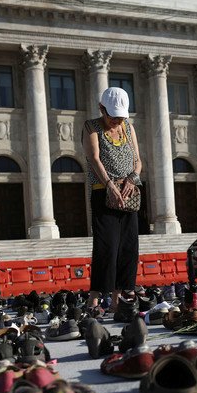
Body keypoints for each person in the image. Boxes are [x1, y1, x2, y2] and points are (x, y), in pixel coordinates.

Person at [82, 87, 142, 314]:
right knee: (106, 246)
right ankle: (95, 299)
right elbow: (94, 158)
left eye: (120, 117)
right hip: (103, 192)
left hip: (128, 193)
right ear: (101, 108)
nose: (116, 121)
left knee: (128, 247)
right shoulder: (91, 126)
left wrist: (132, 180)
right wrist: (109, 185)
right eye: (112, 116)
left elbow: (138, 161)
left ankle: (118, 299)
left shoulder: (128, 127)